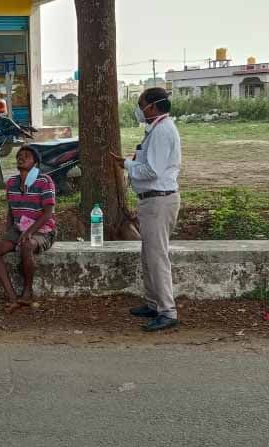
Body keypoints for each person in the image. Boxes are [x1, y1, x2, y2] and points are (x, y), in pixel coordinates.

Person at [111, 87, 182, 332]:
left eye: (141, 104)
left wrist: (128, 165)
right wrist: (129, 164)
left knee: (157, 256)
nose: (139, 109)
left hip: (159, 200)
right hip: (152, 200)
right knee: (149, 254)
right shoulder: (156, 129)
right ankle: (153, 303)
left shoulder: (162, 132)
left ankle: (167, 311)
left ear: (152, 107)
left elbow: (153, 171)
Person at [0, 145, 56, 312]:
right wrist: (8, 234)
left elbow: (48, 214)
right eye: (19, 155)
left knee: (27, 245)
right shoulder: (11, 182)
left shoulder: (45, 181)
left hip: (43, 230)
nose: (21, 157)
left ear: (35, 163)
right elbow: (11, 212)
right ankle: (12, 298)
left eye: (26, 156)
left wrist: (29, 232)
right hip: (18, 229)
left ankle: (27, 292)